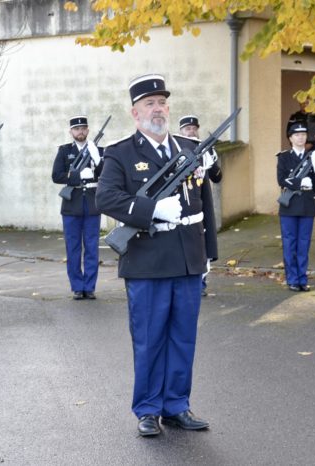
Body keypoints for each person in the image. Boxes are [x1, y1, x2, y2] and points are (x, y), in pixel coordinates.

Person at [96, 74, 217, 437]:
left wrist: (209, 252)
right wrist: (151, 210)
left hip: (186, 258)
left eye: (162, 102)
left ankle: (176, 404)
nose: (158, 109)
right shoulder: (120, 154)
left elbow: (204, 201)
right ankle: (147, 408)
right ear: (135, 113)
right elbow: (106, 198)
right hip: (147, 261)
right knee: (149, 338)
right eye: (149, 104)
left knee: (183, 336)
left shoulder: (188, 148)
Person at [51, 116, 103, 300]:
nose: (80, 132)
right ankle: (77, 286)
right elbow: (56, 176)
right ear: (71, 132)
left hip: (91, 205)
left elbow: (106, 175)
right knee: (72, 248)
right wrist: (78, 176)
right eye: (76, 129)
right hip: (71, 205)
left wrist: (98, 161)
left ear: (88, 130)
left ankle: (89, 287)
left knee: (91, 247)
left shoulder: (98, 150)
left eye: (83, 128)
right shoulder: (64, 151)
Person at [277, 121, 315, 292]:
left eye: (303, 135)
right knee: (290, 244)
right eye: (297, 135)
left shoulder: (312, 156)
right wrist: (299, 183)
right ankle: (292, 279)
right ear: (290, 138)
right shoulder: (284, 157)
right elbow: (281, 180)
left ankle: (302, 279)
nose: (301, 137)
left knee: (303, 244)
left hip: (306, 207)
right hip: (289, 207)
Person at [179, 115, 221, 296]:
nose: (191, 131)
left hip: (203, 199)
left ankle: (201, 282)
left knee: (204, 241)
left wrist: (211, 162)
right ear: (181, 130)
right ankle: (189, 281)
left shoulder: (205, 148)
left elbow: (217, 177)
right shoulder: (177, 148)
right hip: (185, 201)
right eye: (187, 128)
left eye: (194, 128)